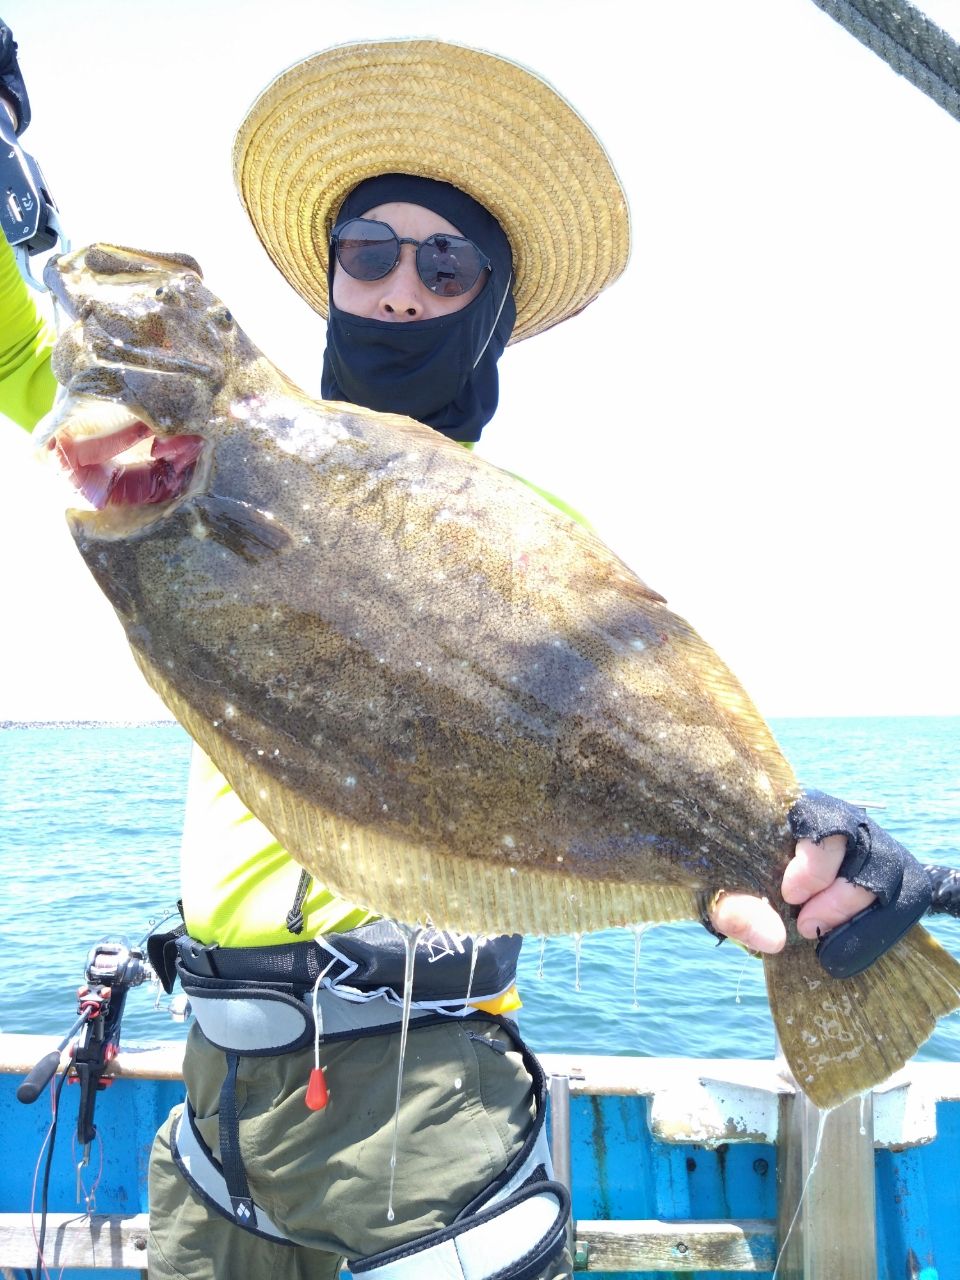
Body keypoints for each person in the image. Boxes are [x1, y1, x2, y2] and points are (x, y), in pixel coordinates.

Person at [0, 36, 936, 1280]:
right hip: (217, 1106)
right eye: (367, 254)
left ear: (491, 299)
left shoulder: (526, 528)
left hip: (427, 1100)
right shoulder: (185, 447)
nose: (397, 288)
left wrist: (779, 845)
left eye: (443, 263)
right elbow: (32, 352)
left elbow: (623, 733)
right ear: (330, 277)